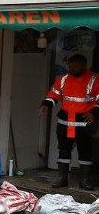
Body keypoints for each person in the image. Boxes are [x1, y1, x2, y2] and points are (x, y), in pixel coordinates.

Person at [40, 53, 99, 189]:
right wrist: (46, 105)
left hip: (84, 123)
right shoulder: (63, 79)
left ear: (84, 66)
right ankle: (62, 179)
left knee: (85, 152)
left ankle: (84, 181)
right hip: (65, 122)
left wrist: (94, 113)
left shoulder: (95, 79)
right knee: (63, 152)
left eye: (76, 66)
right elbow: (54, 95)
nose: (73, 69)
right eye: (71, 66)